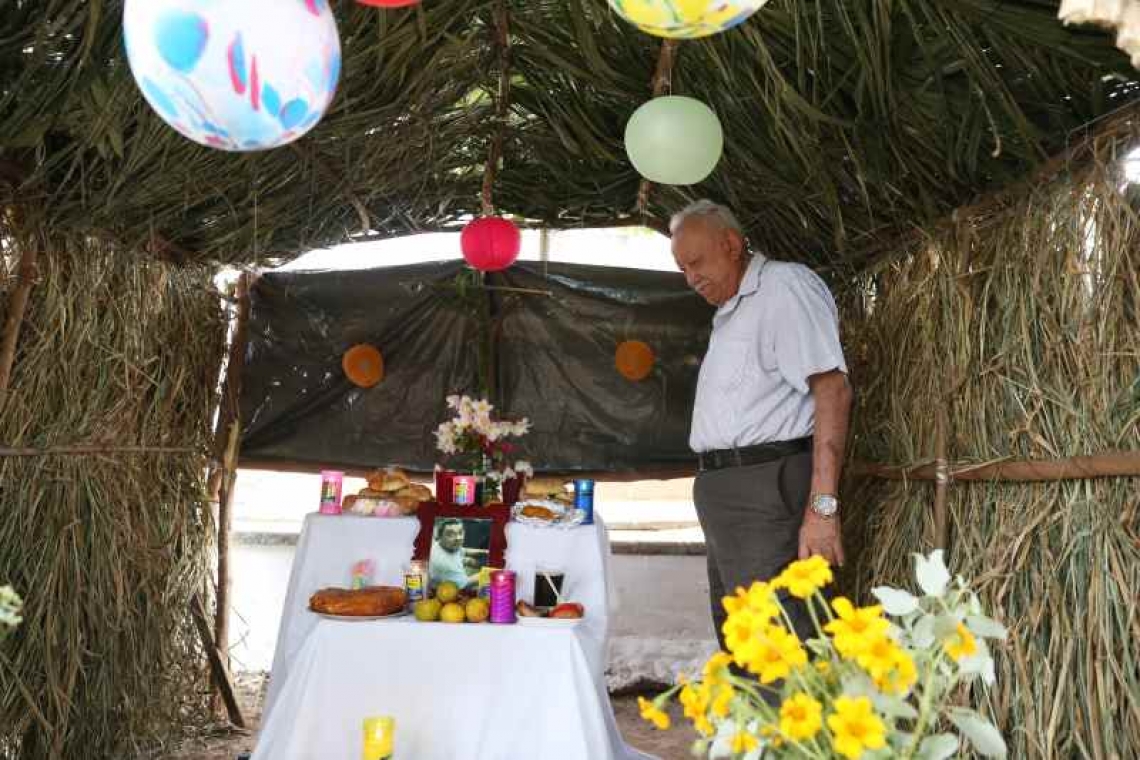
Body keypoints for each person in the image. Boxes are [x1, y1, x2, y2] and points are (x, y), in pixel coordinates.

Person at [671, 199, 853, 654]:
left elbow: (832, 389)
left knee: (781, 641)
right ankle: (754, 727)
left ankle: (793, 726)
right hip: (728, 493)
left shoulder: (784, 288)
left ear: (731, 244)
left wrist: (823, 509)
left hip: (767, 489)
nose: (690, 278)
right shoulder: (734, 308)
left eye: (696, 262)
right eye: (682, 268)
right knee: (743, 640)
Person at [429, 519, 480, 590]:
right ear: (439, 537)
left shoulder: (447, 545)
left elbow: (464, 550)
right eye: (450, 534)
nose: (458, 538)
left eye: (460, 532)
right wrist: (486, 573)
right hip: (447, 593)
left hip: (456, 578)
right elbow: (465, 585)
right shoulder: (443, 563)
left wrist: (485, 552)